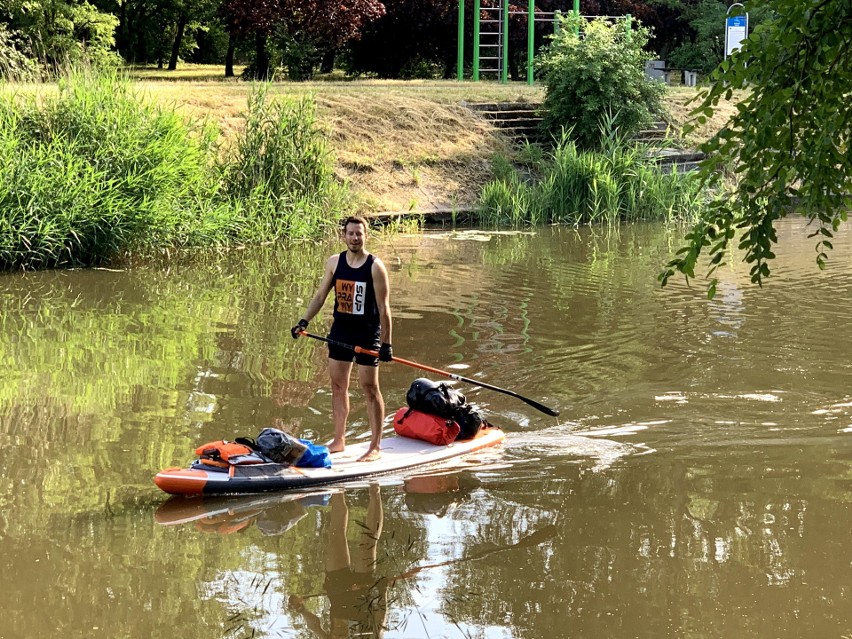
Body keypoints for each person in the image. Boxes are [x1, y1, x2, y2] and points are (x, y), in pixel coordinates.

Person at [291, 215, 392, 462]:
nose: (355, 238)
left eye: (359, 233)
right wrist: (304, 321)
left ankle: (375, 446)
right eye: (351, 233)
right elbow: (320, 296)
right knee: (338, 386)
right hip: (341, 331)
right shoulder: (335, 262)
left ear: (365, 235)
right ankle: (339, 440)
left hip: (367, 334)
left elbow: (384, 308)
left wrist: (387, 344)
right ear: (343, 235)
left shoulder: (375, 266)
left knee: (370, 388)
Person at [288, 486, 388, 638]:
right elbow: (379, 622)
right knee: (367, 543)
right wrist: (382, 591)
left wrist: (301, 610)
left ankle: (337, 488)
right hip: (363, 592)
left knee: (336, 537)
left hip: (336, 589)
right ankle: (375, 492)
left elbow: (315, 626)